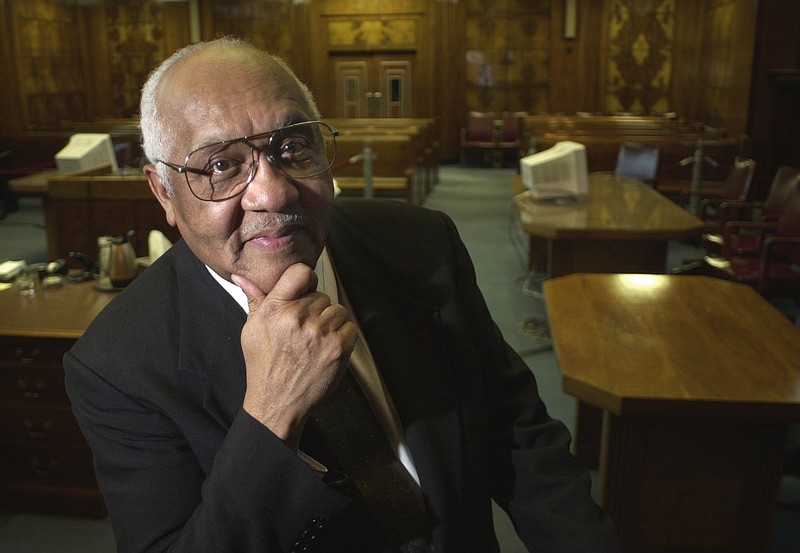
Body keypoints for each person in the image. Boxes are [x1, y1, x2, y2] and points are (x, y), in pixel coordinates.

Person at [64, 37, 621, 553]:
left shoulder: (422, 243)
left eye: (290, 146)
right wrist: (270, 418)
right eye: (220, 165)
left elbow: (515, 429)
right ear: (163, 191)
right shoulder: (116, 364)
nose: (272, 191)